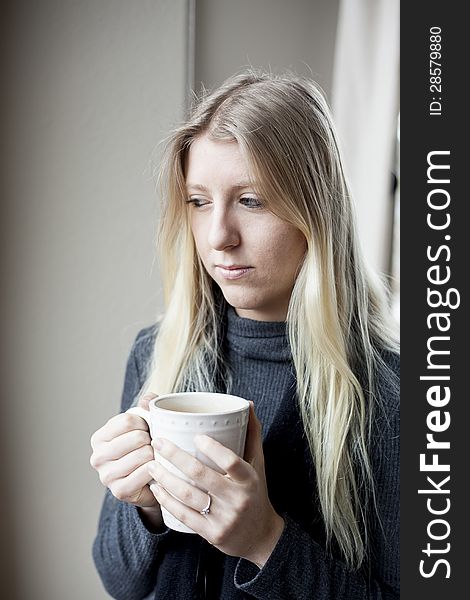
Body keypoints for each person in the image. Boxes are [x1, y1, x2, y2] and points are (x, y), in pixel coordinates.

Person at [90, 70, 399, 599]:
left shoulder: (392, 394)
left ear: (315, 211)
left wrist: (266, 542)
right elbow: (120, 581)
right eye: (199, 201)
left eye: (251, 201)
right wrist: (144, 506)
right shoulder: (158, 355)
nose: (219, 237)